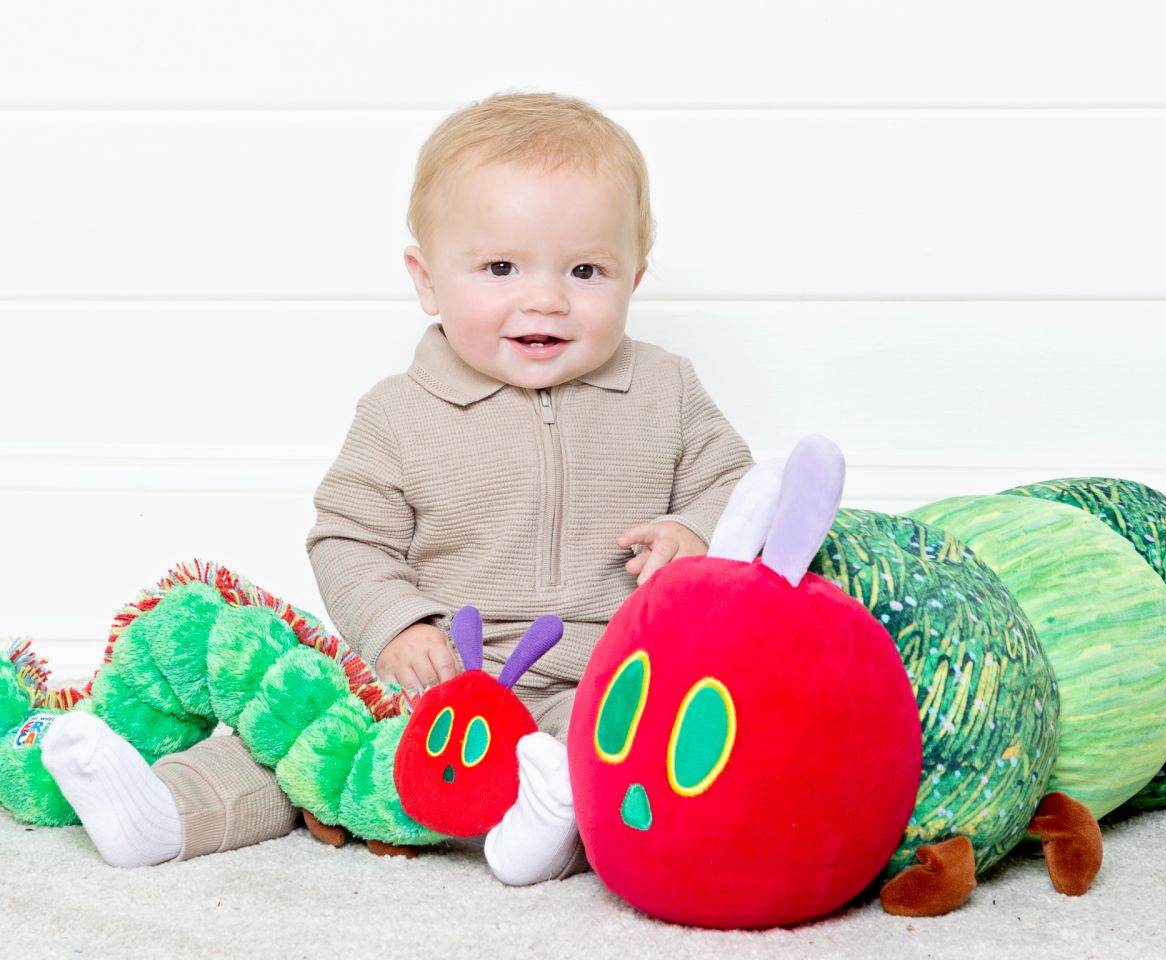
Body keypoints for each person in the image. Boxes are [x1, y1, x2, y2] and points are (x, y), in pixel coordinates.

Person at [40, 91, 755, 884]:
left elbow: (734, 480)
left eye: (586, 270)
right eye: (500, 268)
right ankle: (166, 812)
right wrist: (396, 626)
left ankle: (540, 836)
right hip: (441, 675)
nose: (546, 298)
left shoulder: (666, 390)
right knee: (303, 745)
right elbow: (348, 536)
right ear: (427, 279)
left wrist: (695, 528)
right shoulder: (399, 413)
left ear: (636, 277)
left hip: (600, 675)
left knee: (625, 766)